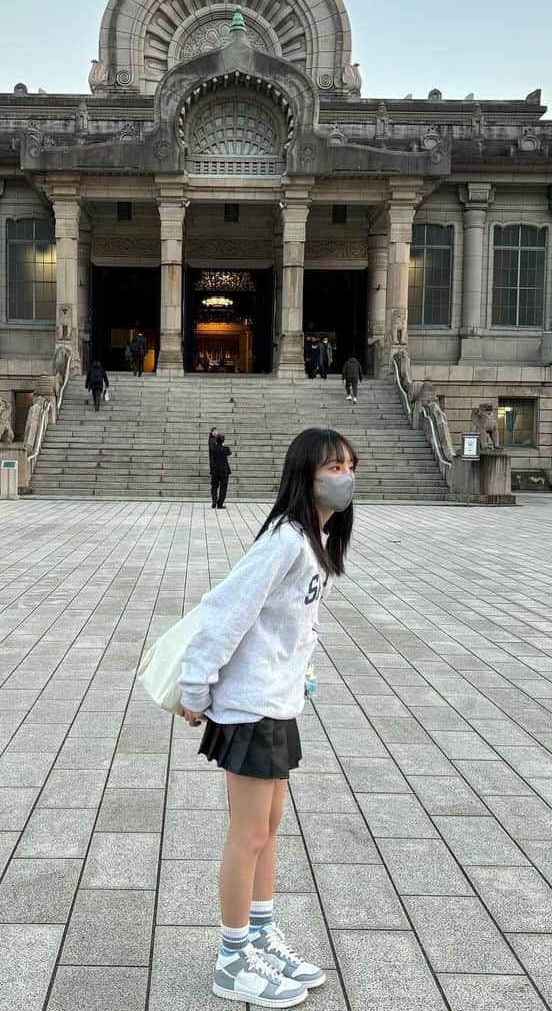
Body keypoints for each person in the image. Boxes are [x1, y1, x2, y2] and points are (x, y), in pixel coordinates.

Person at [177, 428, 358, 1008]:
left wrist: (301, 674)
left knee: (271, 829)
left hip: (278, 704)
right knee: (249, 833)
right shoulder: (284, 539)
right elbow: (226, 609)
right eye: (333, 466)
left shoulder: (313, 544)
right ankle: (232, 960)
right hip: (250, 707)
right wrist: (195, 685)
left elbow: (295, 624)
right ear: (305, 474)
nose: (344, 476)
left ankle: (259, 936)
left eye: (350, 465)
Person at [208, 427, 232, 509]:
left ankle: (214, 501)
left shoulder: (213, 449)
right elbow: (229, 453)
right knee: (223, 488)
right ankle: (220, 504)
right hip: (224, 471)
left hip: (215, 471)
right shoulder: (226, 449)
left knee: (214, 487)